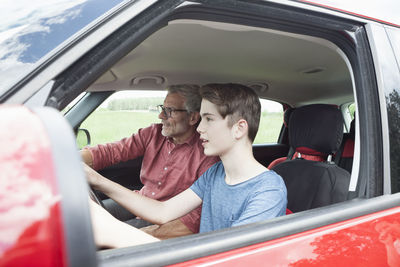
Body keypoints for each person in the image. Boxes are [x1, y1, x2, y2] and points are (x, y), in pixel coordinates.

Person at [87, 83, 287, 248]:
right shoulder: (215, 174)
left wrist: (118, 235)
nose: (199, 127)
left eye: (208, 119)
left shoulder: (268, 190)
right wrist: (96, 180)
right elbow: (162, 212)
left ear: (239, 128)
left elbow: (228, 260)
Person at [81, 84, 219, 239]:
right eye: (162, 108)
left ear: (192, 117)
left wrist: (142, 236)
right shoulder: (153, 134)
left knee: (98, 236)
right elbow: (111, 151)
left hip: (167, 221)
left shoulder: (207, 155)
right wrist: (70, 159)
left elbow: (193, 220)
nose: (161, 116)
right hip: (139, 202)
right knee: (83, 218)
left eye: (169, 111)